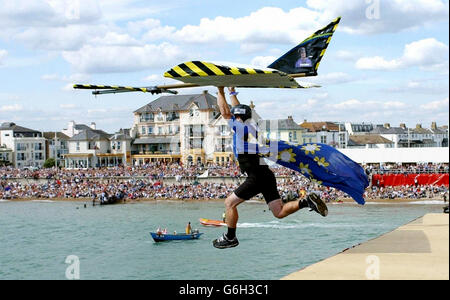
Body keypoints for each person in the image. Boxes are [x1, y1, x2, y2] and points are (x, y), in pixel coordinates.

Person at [212, 87, 328, 249]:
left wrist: (220, 90)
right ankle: (305, 202)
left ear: (238, 117)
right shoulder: (251, 126)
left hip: (257, 177)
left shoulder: (241, 129)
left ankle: (230, 237)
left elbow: (225, 113)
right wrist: (232, 93)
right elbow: (236, 110)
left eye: (235, 116)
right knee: (278, 212)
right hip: (265, 174)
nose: (233, 117)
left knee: (229, 203)